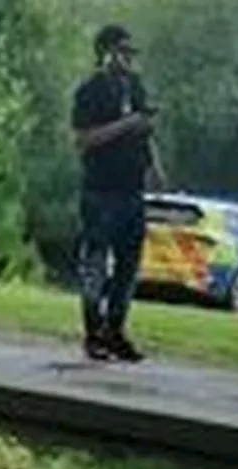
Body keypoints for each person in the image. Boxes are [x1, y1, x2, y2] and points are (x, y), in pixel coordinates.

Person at [70, 24, 167, 362]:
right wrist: (126, 125)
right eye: (122, 52)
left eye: (131, 53)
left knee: (128, 266)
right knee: (95, 263)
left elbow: (144, 130)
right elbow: (83, 139)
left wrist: (154, 166)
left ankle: (116, 329)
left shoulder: (135, 86)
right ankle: (93, 332)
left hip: (132, 190)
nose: (128, 59)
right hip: (101, 190)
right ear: (106, 52)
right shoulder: (90, 91)